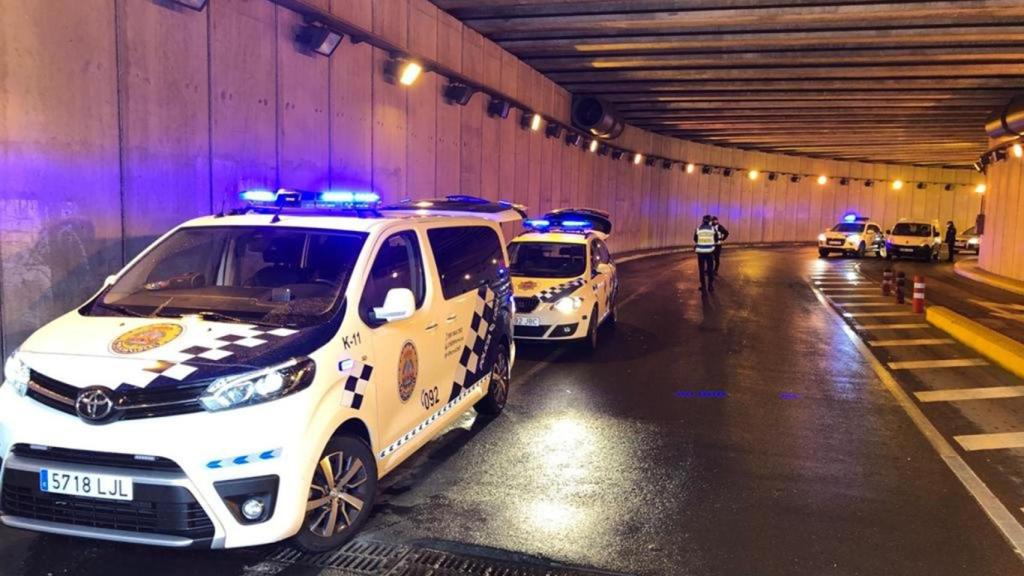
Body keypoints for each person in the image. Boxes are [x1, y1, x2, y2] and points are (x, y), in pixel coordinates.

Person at [694, 215, 720, 292]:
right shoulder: (713, 229)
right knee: (710, 269)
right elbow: (716, 239)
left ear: (702, 221)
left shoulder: (698, 229)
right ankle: (710, 285)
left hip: (700, 252)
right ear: (709, 221)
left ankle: (703, 286)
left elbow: (695, 239)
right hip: (709, 252)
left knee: (701, 269)